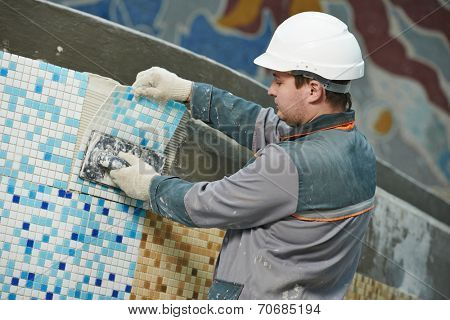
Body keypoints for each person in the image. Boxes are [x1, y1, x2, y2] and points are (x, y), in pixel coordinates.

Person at [110, 11, 376, 299]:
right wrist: (189, 92)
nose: (270, 90)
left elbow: (204, 205)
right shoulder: (357, 150)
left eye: (279, 81)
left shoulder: (292, 165)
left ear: (313, 90)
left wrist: (150, 187)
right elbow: (263, 126)